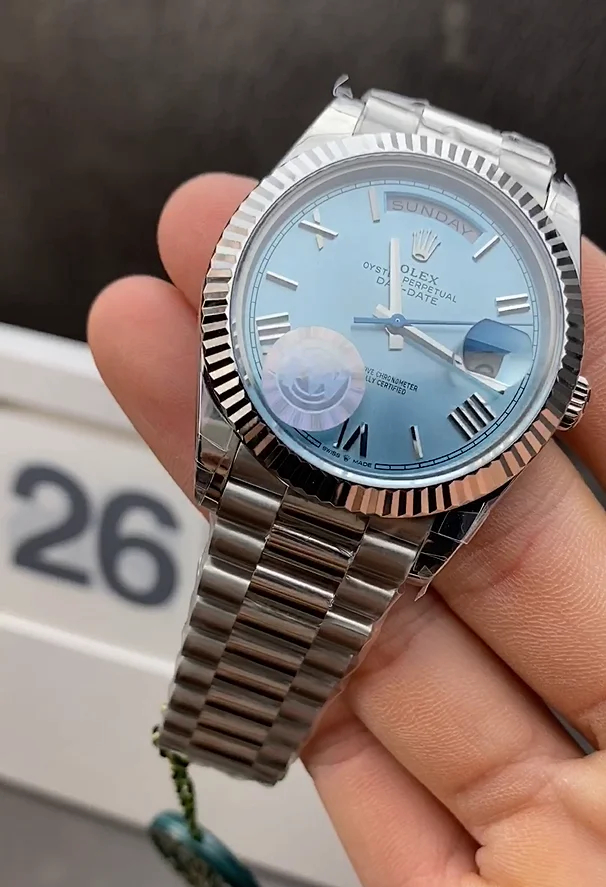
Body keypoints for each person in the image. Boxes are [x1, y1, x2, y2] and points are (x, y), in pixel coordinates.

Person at [88, 172, 606, 887]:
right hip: (283, 426)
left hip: (401, 499)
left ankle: (232, 733)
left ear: (558, 398)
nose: (395, 325)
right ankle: (220, 729)